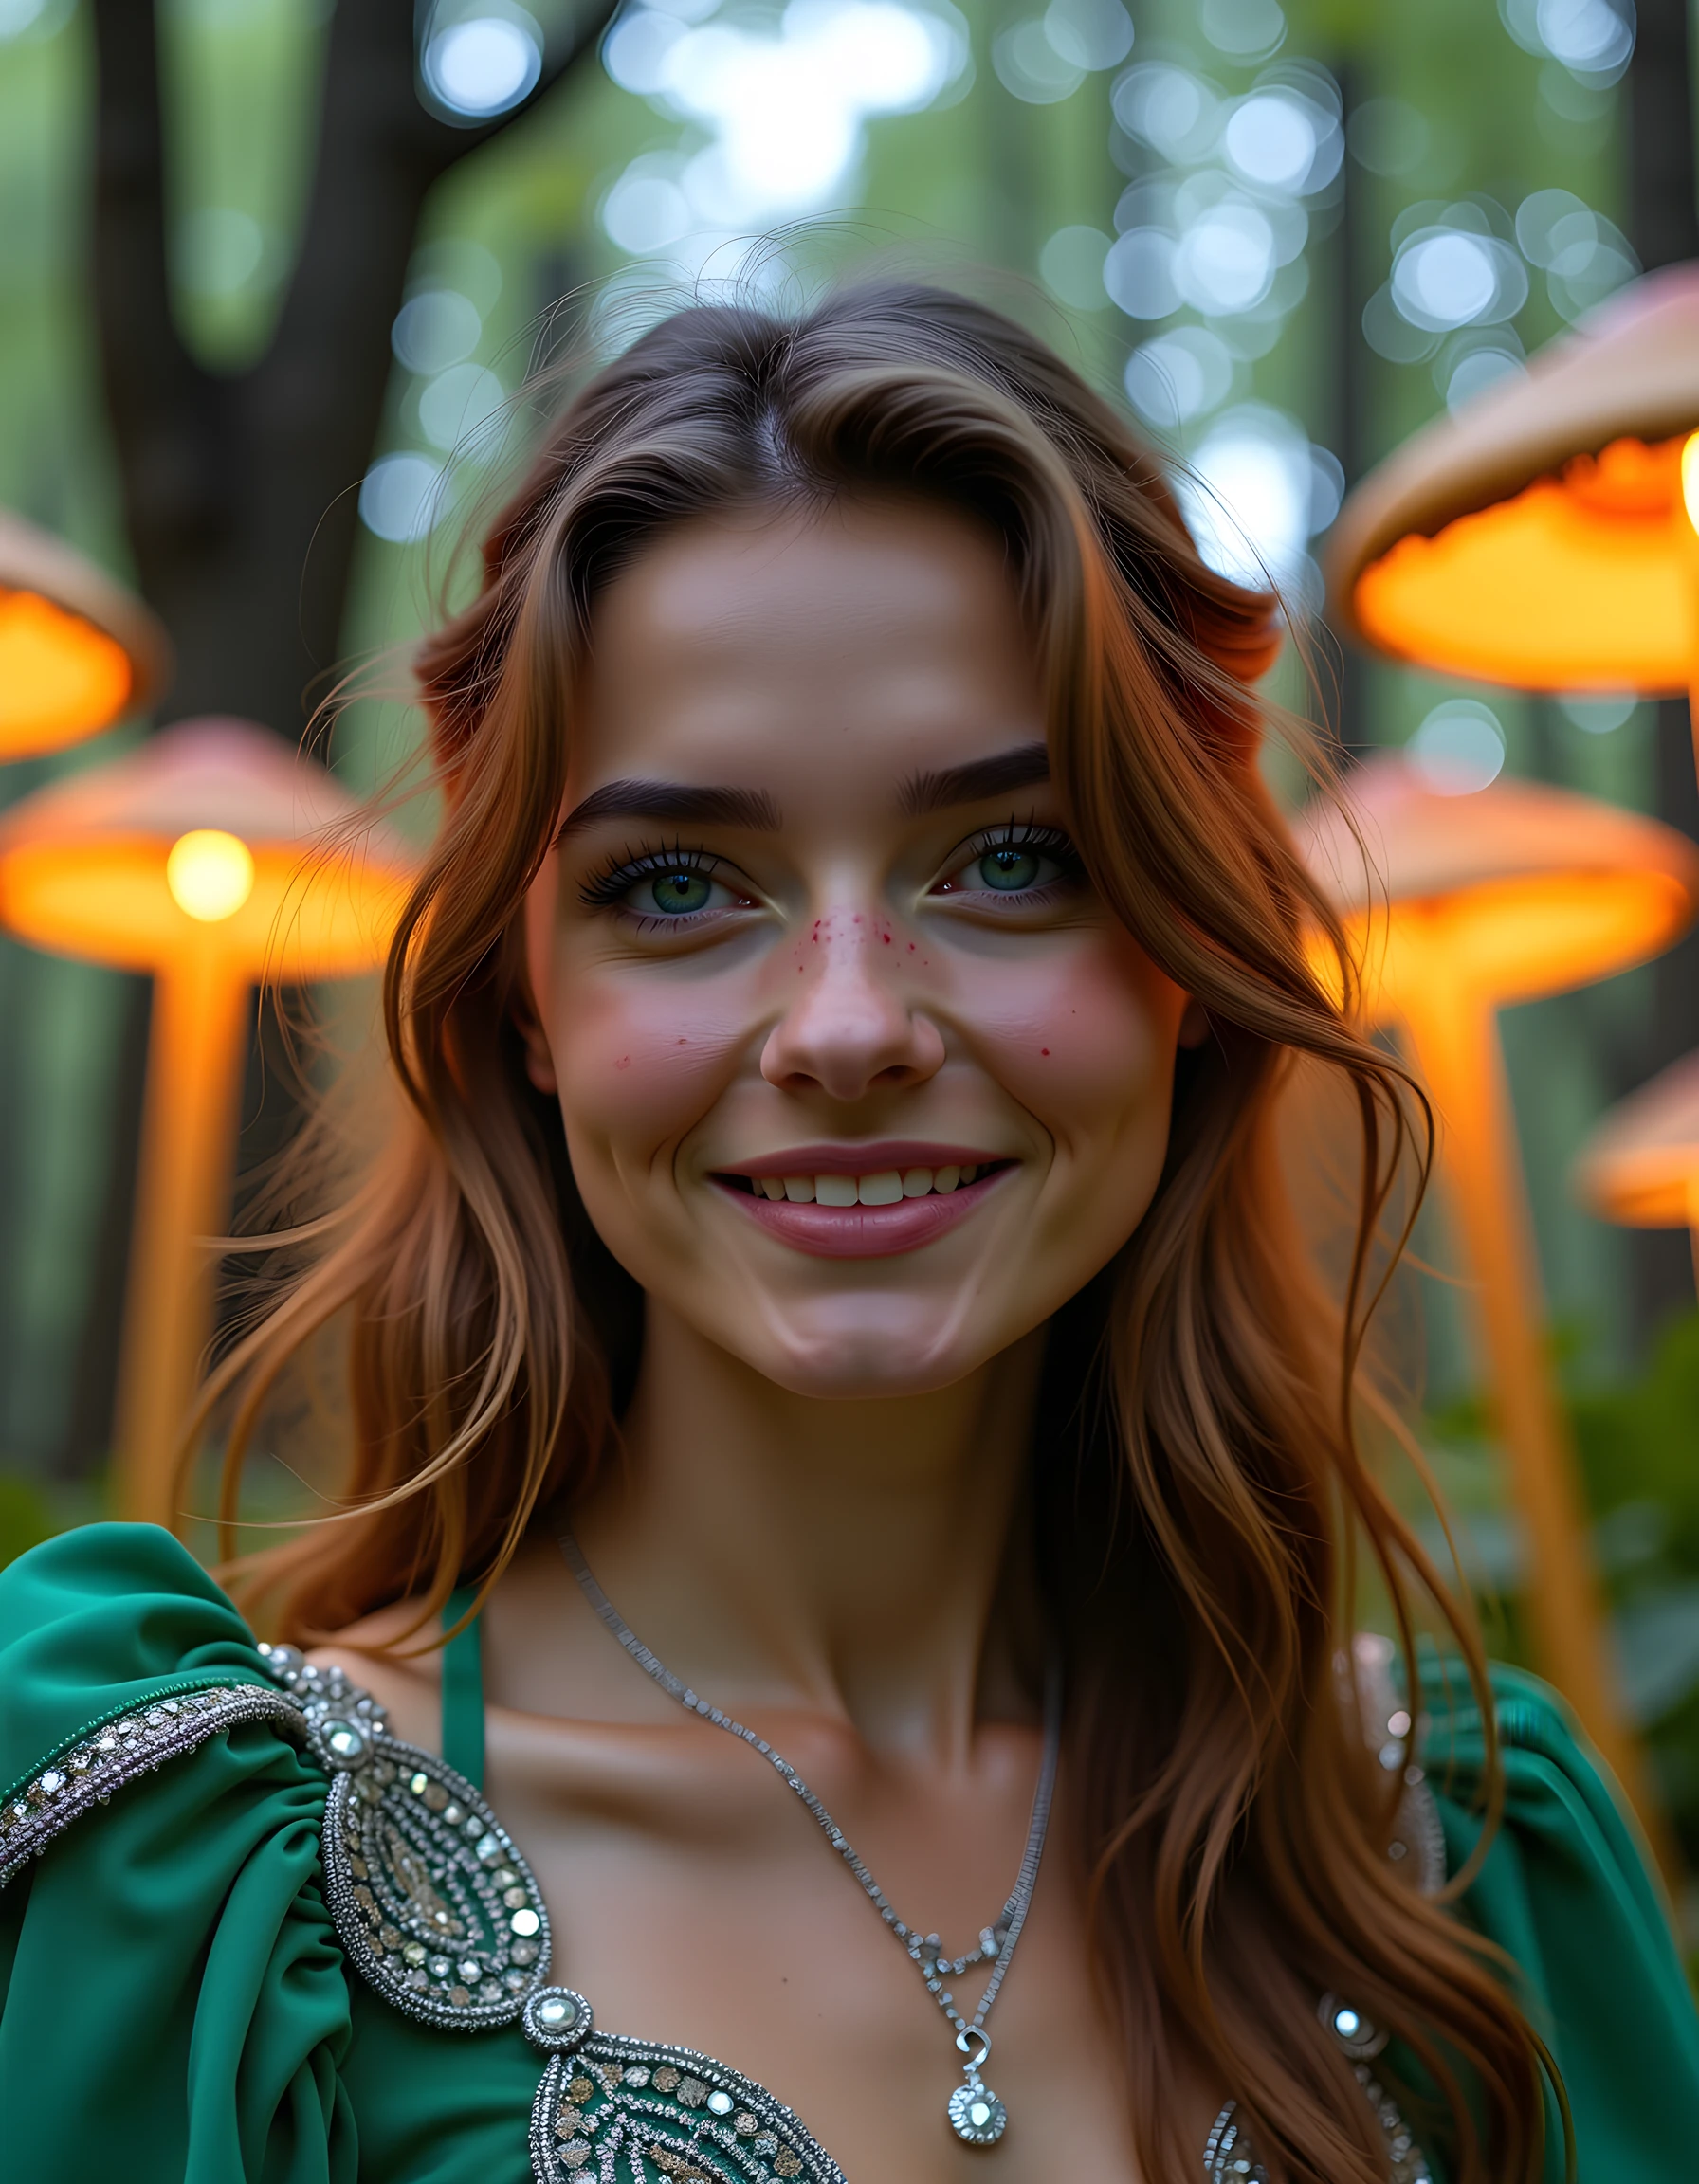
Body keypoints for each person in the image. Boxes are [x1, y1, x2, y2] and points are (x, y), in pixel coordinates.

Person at [1, 283, 1694, 2184]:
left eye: (1008, 860)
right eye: (674, 885)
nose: (845, 1026)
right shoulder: (202, 1888)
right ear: (524, 1011)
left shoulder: (1462, 1863)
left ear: (1190, 965)